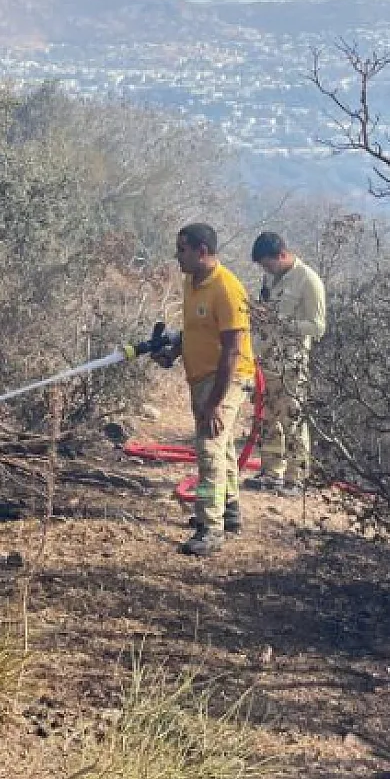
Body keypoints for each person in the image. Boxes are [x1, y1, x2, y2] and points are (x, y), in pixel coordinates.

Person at [152, 223, 255, 557]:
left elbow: (232, 350)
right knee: (222, 447)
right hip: (200, 377)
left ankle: (210, 529)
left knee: (209, 446)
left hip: (226, 378)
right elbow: (195, 331)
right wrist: (174, 353)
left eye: (182, 249)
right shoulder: (190, 282)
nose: (176, 256)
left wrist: (214, 403)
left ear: (201, 250)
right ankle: (231, 512)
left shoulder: (227, 289)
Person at [244, 231, 326, 495]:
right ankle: (271, 474)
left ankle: (296, 479)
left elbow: (317, 327)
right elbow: (268, 311)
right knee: (267, 420)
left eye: (268, 263)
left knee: (292, 420)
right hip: (265, 361)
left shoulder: (308, 281)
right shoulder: (271, 277)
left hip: (291, 365)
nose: (266, 270)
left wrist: (283, 324)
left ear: (281, 255)